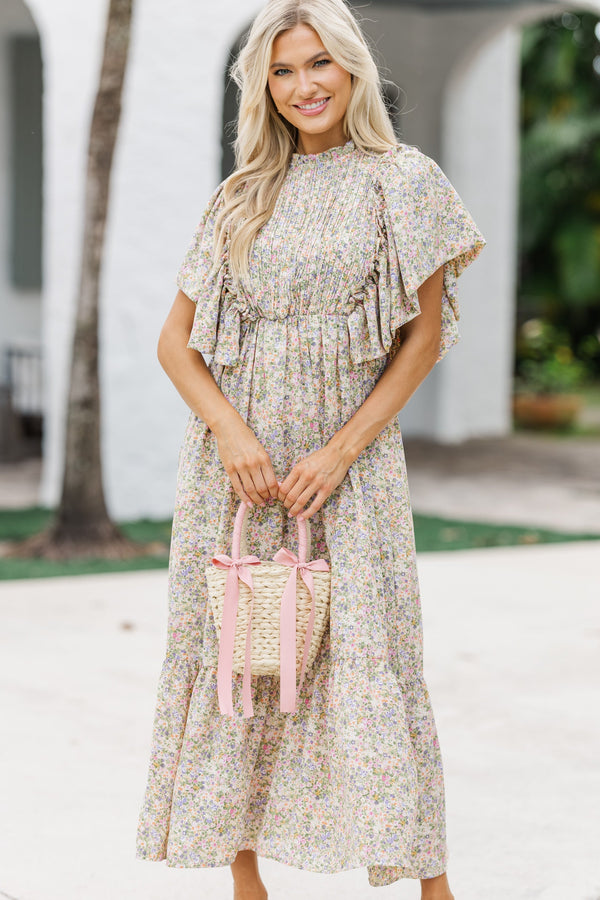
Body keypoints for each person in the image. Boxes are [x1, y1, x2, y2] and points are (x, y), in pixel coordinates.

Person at [135, 1, 485, 898]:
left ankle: (432, 888)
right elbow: (176, 344)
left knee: (374, 670)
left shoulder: (402, 181)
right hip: (241, 477)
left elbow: (425, 336)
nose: (304, 87)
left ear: (355, 68)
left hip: (351, 474)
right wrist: (233, 434)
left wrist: (338, 453)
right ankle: (246, 884)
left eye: (319, 63)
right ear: (264, 87)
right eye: (283, 71)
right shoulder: (240, 195)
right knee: (244, 668)